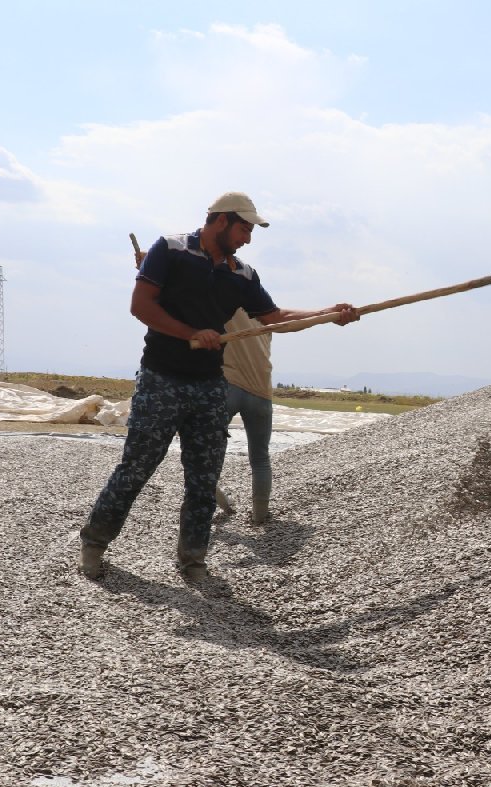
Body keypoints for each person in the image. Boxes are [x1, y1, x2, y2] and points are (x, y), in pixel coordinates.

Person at [79, 191, 359, 582]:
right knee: (136, 469)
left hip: (210, 385)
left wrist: (327, 314)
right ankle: (94, 543)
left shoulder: (241, 274)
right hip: (162, 378)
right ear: (222, 221)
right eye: (244, 228)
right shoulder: (170, 249)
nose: (248, 238)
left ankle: (192, 560)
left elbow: (275, 317)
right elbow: (141, 307)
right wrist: (191, 332)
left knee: (203, 478)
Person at [221, 309, 276, 522]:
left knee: (208, 455)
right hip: (261, 390)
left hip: (228, 385)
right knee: (260, 457)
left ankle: (220, 501)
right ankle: (260, 515)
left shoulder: (223, 299)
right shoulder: (264, 310)